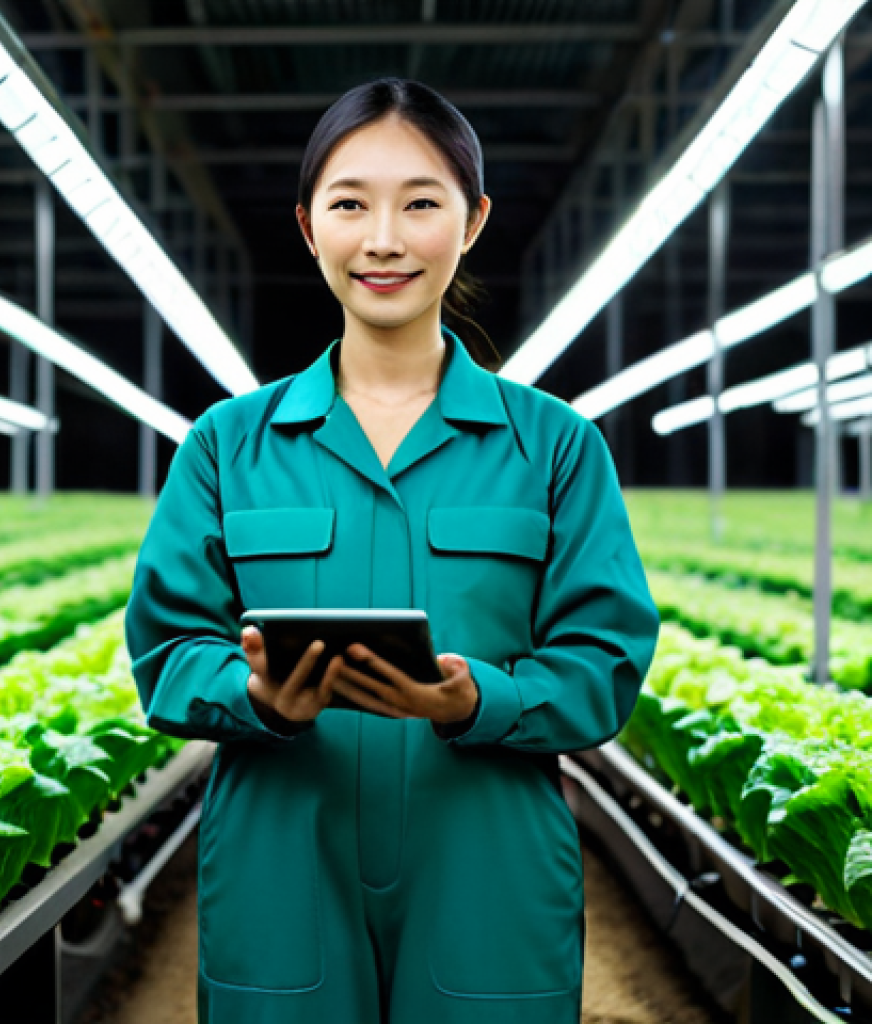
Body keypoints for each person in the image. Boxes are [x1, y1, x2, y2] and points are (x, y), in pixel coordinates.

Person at [125, 77, 660, 1024]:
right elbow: (168, 650)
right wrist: (252, 692)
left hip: (485, 856)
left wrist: (480, 699)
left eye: (420, 203)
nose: (383, 239)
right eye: (349, 204)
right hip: (282, 854)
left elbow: (605, 661)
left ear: (473, 220)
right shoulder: (226, 445)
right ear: (307, 226)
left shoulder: (555, 446)